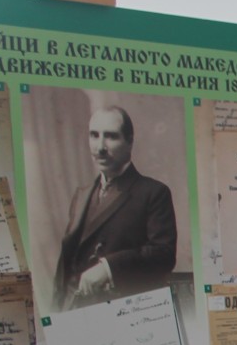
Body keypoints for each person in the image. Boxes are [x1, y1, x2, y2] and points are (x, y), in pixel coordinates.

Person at [54, 105, 178, 311]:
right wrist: (57, 309)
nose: (100, 147)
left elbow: (164, 255)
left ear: (129, 142)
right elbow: (66, 264)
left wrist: (108, 268)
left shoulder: (153, 193)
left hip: (122, 311)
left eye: (111, 136)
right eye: (94, 135)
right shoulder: (82, 194)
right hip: (74, 309)